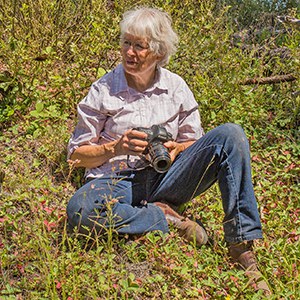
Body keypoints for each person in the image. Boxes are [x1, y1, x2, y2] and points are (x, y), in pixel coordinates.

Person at [67, 7, 271, 294]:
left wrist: (178, 148)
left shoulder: (176, 87)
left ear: (159, 53)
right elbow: (76, 157)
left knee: (231, 135)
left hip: (167, 176)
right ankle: (164, 218)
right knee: (81, 210)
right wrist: (115, 147)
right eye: (126, 42)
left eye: (140, 46)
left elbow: (197, 143)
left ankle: (241, 247)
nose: (130, 52)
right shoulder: (103, 90)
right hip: (114, 182)